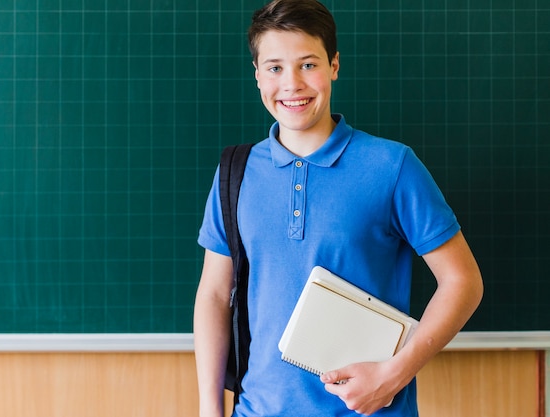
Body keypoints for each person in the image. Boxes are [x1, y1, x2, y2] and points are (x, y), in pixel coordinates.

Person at [194, 0, 483, 416]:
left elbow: (463, 281)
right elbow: (215, 295)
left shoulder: (391, 166)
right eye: (274, 67)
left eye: (308, 64)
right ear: (257, 74)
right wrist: (209, 408)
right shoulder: (235, 173)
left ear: (334, 65)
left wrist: (394, 375)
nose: (291, 84)